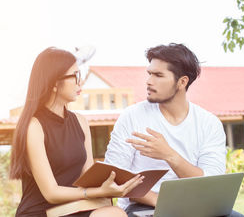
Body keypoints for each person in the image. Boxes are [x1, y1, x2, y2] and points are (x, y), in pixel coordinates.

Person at [104, 43, 244, 217]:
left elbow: (210, 183)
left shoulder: (209, 123)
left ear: (182, 82)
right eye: (149, 74)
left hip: (198, 206)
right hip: (145, 207)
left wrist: (169, 155)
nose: (148, 81)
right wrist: (158, 199)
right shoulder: (131, 117)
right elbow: (114, 176)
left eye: (158, 75)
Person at [9, 47, 144, 217]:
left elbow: (87, 177)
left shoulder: (81, 121)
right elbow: (51, 193)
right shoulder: (34, 126)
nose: (80, 83)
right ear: (54, 83)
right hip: (40, 212)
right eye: (75, 76)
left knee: (114, 213)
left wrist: (114, 184)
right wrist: (95, 193)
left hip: (72, 208)